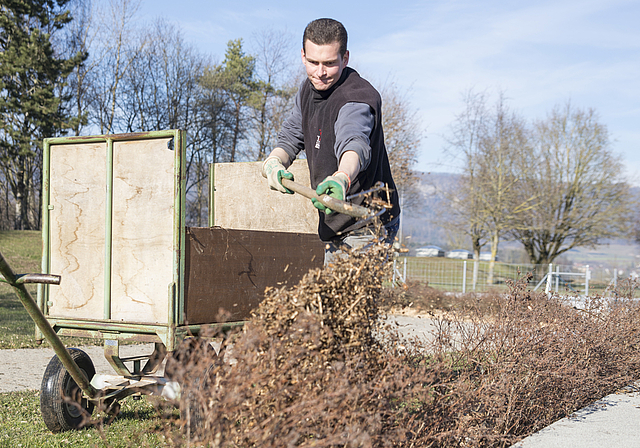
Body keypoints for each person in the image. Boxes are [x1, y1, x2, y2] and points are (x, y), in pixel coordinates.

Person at [262, 18, 400, 260]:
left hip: (368, 222)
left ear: (345, 58)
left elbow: (354, 142)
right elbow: (292, 136)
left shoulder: (356, 98)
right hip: (334, 223)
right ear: (303, 55)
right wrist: (274, 162)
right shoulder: (307, 90)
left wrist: (341, 178)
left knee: (346, 298)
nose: (320, 72)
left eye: (329, 63)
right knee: (330, 296)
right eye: (313, 62)